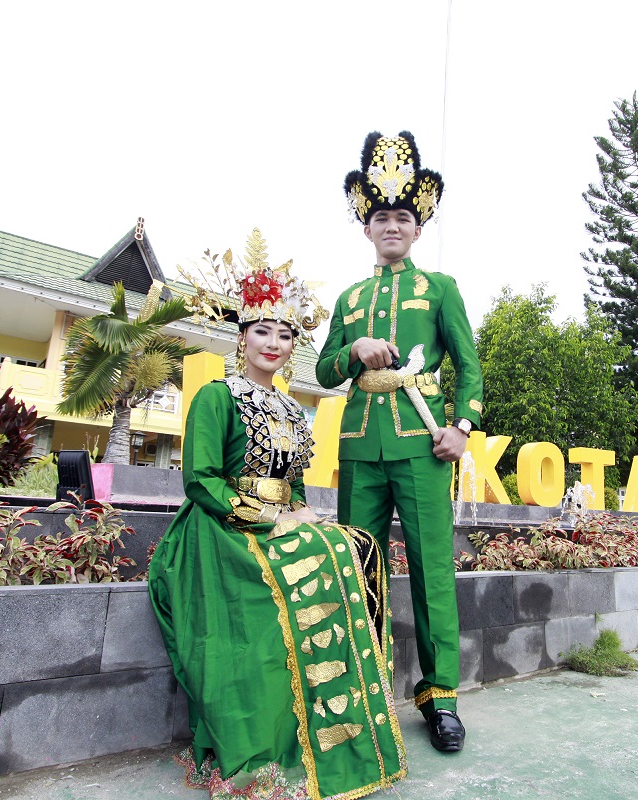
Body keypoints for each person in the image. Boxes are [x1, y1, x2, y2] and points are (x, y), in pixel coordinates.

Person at [149, 230, 406, 798]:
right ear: (241, 337)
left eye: (286, 334)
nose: (274, 342)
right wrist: (267, 519)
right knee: (314, 559)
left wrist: (296, 512)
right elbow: (199, 480)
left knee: (355, 544)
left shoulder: (291, 406)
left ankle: (348, 724)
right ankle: (280, 735)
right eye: (262, 330)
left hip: (278, 516)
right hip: (219, 526)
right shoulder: (218, 397)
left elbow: (288, 484)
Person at [317, 131, 484, 753]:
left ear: (419, 228)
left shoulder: (440, 289)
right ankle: (360, 693)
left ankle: (439, 698)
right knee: (357, 571)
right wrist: (352, 351)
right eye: (382, 217)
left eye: (403, 217)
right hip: (360, 448)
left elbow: (469, 366)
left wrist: (462, 428)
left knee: (432, 573)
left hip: (423, 445)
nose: (392, 225)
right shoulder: (349, 298)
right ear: (367, 228)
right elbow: (323, 369)